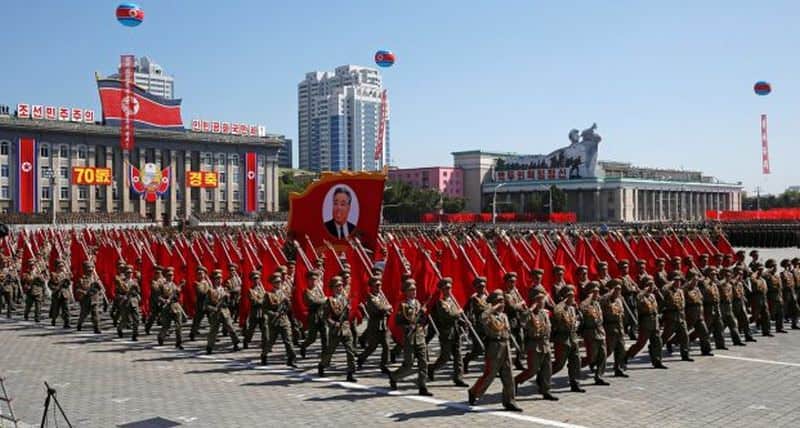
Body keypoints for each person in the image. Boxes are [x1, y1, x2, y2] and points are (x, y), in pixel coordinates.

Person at [467, 289, 522, 412]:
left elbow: (507, 331)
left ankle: (510, 401)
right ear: (492, 303)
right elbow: (482, 317)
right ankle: (474, 391)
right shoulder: (488, 315)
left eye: (502, 301)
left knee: (508, 375)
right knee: (489, 374)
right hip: (494, 347)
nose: (502, 304)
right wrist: (494, 307)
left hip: (505, 346)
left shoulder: (504, 316)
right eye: (498, 301)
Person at [389, 279, 432, 397]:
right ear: (406, 292)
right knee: (409, 364)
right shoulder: (403, 305)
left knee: (424, 363)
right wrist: (408, 326)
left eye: (415, 289)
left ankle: (422, 386)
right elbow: (398, 321)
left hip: (420, 336)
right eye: (411, 290)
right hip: (409, 337)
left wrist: (423, 315)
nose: (414, 292)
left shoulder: (418, 303)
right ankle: (394, 376)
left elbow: (423, 322)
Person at [514, 288, 558, 401]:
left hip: (545, 344)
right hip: (534, 345)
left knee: (547, 369)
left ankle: (546, 391)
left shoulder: (545, 313)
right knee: (532, 370)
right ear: (534, 301)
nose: (542, 302)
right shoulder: (528, 314)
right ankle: (516, 381)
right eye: (539, 300)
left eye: (543, 300)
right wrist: (531, 308)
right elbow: (522, 320)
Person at [428, 277, 468, 387]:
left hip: (455, 331)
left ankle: (458, 378)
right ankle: (432, 368)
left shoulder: (452, 301)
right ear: (441, 289)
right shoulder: (440, 303)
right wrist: (458, 313)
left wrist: (462, 321)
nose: (448, 290)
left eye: (450, 288)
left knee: (458, 355)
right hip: (446, 332)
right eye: (446, 288)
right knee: (445, 357)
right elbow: (447, 316)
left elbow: (455, 316)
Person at [318, 276, 356, 381]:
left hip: (346, 329)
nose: (339, 288)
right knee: (330, 351)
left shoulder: (346, 299)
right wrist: (333, 324)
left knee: (350, 351)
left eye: (341, 286)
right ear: (332, 288)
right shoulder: (329, 301)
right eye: (337, 286)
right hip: (335, 330)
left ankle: (351, 373)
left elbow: (349, 315)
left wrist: (349, 310)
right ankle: (322, 365)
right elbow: (325, 316)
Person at [625, 278, 667, 369]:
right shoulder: (640, 296)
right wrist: (644, 291)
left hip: (654, 322)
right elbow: (637, 299)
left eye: (653, 285)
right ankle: (626, 356)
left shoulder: (652, 296)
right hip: (645, 323)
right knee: (640, 344)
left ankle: (657, 361)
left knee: (657, 342)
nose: (652, 287)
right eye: (649, 285)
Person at [551, 286, 585, 393]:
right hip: (562, 338)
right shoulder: (559, 308)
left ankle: (575, 383)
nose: (573, 298)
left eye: (573, 296)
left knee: (576, 361)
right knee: (559, 364)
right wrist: (564, 302)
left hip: (573, 337)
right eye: (570, 296)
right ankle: (542, 377)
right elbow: (556, 312)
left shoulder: (572, 308)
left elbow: (577, 320)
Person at [357, 276, 392, 374]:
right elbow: (380, 308)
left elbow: (386, 308)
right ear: (371, 286)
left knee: (386, 345)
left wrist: (388, 309)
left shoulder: (381, 296)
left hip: (384, 324)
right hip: (375, 325)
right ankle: (361, 358)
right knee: (372, 347)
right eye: (376, 285)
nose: (379, 287)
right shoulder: (370, 297)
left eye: (380, 285)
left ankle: (384, 365)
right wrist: (388, 307)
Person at [264, 272, 298, 368]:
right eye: (276, 282)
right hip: (274, 321)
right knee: (271, 341)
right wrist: (273, 314)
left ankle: (291, 358)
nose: (278, 284)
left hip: (284, 320)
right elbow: (265, 309)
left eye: (279, 282)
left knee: (288, 340)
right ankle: (264, 355)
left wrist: (288, 303)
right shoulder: (268, 295)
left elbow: (290, 308)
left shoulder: (285, 294)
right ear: (272, 283)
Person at [579, 281, 609, 385]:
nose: (597, 294)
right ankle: (576, 365)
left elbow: (606, 298)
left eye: (598, 291)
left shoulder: (597, 303)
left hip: (600, 331)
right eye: (595, 292)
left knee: (603, 354)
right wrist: (590, 297)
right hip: (590, 332)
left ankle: (599, 376)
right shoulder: (585, 303)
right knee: (592, 356)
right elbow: (581, 307)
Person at [205, 269, 240, 354]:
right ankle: (209, 347)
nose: (219, 280)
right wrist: (213, 309)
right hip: (215, 312)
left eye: (220, 278)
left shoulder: (225, 290)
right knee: (213, 330)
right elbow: (206, 304)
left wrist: (228, 297)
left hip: (224, 311)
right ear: (213, 279)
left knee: (231, 327)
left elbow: (230, 302)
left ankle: (236, 343)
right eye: (217, 278)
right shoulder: (210, 291)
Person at [660, 271, 693, 362]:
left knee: (685, 336)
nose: (678, 282)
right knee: (665, 336)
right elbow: (663, 290)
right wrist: (670, 283)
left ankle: (685, 355)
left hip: (681, 316)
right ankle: (655, 351)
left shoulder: (681, 291)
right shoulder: (668, 290)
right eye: (676, 281)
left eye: (679, 281)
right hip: (671, 317)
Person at [601, 279, 629, 376]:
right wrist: (611, 294)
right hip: (610, 326)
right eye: (616, 289)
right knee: (608, 350)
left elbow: (622, 313)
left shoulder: (619, 300)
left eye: (619, 289)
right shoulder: (605, 298)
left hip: (619, 326)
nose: (618, 291)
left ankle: (618, 369)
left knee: (620, 349)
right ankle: (597, 366)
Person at [463, 277, 490, 373]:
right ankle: (466, 360)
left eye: (483, 286)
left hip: (488, 326)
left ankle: (490, 369)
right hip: (478, 327)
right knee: (478, 349)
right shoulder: (473, 299)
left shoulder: (488, 297)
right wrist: (467, 321)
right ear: (475, 287)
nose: (482, 288)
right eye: (479, 287)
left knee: (489, 349)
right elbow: (466, 311)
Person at [684, 271, 714, 356]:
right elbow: (682, 289)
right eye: (694, 280)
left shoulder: (697, 289)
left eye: (697, 280)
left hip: (699, 314)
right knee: (684, 333)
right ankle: (672, 342)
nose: (696, 282)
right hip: (690, 314)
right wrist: (688, 282)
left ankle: (706, 350)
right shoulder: (685, 289)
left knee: (704, 332)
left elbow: (701, 299)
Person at [300, 270, 327, 358]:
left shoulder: (319, 290)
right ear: (308, 280)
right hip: (313, 316)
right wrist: (324, 299)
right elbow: (313, 302)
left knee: (325, 335)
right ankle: (303, 346)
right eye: (311, 280)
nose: (313, 282)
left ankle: (325, 353)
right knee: (312, 338)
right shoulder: (306, 292)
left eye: (315, 280)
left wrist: (324, 299)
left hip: (322, 315)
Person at [502, 272, 526, 370]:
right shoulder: (506, 294)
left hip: (518, 320)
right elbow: (512, 307)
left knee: (521, 341)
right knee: (508, 344)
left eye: (514, 281)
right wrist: (521, 303)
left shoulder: (515, 292)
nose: (513, 283)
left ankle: (518, 361)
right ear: (506, 282)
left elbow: (520, 308)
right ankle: (503, 365)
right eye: (511, 281)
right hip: (509, 321)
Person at [157, 267, 186, 350]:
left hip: (176, 306)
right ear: (165, 276)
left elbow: (178, 296)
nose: (171, 276)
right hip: (167, 308)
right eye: (169, 275)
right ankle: (161, 337)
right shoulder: (162, 285)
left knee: (179, 325)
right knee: (166, 325)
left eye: (172, 275)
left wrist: (179, 291)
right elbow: (158, 296)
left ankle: (178, 342)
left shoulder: (175, 285)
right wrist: (164, 300)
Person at [700, 268, 727, 350]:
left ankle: (720, 344)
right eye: (712, 274)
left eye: (715, 274)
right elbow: (705, 292)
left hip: (716, 306)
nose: (715, 276)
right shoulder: (703, 282)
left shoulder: (715, 283)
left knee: (719, 325)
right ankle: (705, 348)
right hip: (708, 307)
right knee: (706, 328)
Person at [243, 271, 267, 361]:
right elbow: (254, 301)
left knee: (265, 330)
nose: (256, 280)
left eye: (257, 279)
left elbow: (266, 299)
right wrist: (263, 300)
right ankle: (246, 340)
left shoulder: (262, 289)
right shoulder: (250, 290)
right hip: (255, 313)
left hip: (263, 312)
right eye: (254, 279)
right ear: (251, 280)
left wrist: (263, 300)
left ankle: (266, 345)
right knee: (251, 330)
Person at [717, 268, 745, 346]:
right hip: (722, 306)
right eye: (726, 275)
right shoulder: (720, 283)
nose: (729, 276)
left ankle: (737, 341)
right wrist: (724, 279)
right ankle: (719, 343)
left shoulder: (730, 284)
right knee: (719, 325)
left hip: (729, 306)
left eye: (729, 275)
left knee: (733, 324)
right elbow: (719, 284)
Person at [116, 265, 142, 341]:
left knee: (136, 319)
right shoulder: (121, 282)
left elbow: (139, 291)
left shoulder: (135, 281)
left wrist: (137, 291)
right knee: (124, 320)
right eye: (128, 273)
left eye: (131, 272)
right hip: (125, 303)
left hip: (134, 302)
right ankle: (119, 328)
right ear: (125, 273)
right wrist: (122, 297)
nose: (129, 274)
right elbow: (117, 293)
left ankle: (135, 334)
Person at [731, 266, 756, 342]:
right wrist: (737, 277)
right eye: (739, 272)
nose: (740, 274)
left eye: (741, 273)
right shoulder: (730, 279)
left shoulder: (740, 282)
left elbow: (746, 291)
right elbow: (731, 284)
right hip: (733, 303)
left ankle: (748, 336)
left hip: (741, 302)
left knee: (745, 319)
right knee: (730, 322)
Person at [616, 260, 639, 340]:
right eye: (624, 268)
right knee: (626, 317)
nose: (626, 269)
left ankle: (633, 332)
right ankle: (624, 331)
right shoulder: (620, 279)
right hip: (625, 299)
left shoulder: (628, 277)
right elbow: (626, 289)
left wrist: (634, 289)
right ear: (620, 269)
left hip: (632, 298)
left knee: (634, 314)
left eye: (626, 267)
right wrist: (632, 289)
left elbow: (635, 287)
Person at [189, 266, 212, 341]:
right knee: (197, 320)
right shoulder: (196, 283)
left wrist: (209, 284)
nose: (201, 275)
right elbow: (202, 292)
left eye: (202, 273)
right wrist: (210, 289)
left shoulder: (208, 282)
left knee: (212, 320)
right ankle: (192, 334)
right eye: (199, 274)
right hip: (201, 304)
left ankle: (213, 335)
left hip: (208, 303)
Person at [48, 260, 72, 328]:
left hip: (64, 293)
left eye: (62, 266)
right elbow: (54, 282)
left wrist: (68, 279)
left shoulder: (65, 274)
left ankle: (67, 322)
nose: (62, 268)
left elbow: (68, 284)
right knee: (56, 309)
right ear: (57, 267)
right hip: (57, 294)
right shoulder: (53, 274)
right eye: (60, 266)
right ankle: (54, 319)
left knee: (66, 309)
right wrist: (62, 280)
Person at [750, 263, 772, 336]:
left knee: (766, 315)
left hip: (763, 297)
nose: (761, 271)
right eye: (760, 270)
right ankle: (743, 326)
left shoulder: (763, 279)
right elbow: (752, 279)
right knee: (755, 315)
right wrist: (756, 272)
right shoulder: (754, 278)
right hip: (757, 297)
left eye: (762, 269)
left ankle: (766, 331)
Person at [144, 266, 165, 335]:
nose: (158, 274)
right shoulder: (153, 281)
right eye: (156, 273)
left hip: (163, 301)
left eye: (159, 273)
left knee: (165, 316)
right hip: (155, 301)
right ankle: (148, 327)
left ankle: (165, 330)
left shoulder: (164, 280)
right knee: (153, 316)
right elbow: (155, 290)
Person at [779, 259, 799, 329]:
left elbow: (793, 283)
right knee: (784, 310)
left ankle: (794, 324)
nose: (789, 266)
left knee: (796, 308)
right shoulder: (782, 274)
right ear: (784, 265)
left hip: (792, 292)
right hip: (786, 292)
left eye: (790, 264)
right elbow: (781, 285)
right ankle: (780, 326)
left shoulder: (791, 273)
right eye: (788, 264)